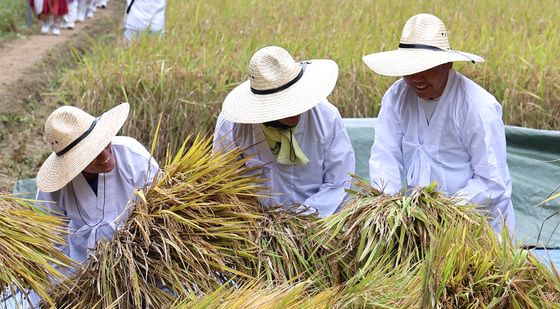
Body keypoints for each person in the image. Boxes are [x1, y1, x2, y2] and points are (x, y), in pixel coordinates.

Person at [363, 13, 514, 234]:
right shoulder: (396, 97)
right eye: (409, 68)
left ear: (447, 63)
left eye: (425, 67)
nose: (416, 77)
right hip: (416, 228)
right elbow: (385, 157)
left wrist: (441, 213)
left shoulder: (477, 107)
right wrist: (389, 207)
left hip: (475, 229)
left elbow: (492, 183)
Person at [213, 46, 355, 217]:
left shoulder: (326, 118)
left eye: (296, 100)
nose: (295, 111)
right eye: (285, 105)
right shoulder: (233, 126)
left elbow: (339, 182)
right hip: (255, 228)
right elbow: (224, 184)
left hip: (318, 225)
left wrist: (301, 220)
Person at [35, 102, 160, 272]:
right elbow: (52, 241)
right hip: (83, 263)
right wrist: (64, 286)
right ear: (72, 164)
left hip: (142, 254)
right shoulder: (55, 189)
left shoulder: (132, 156)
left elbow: (162, 206)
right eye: (91, 155)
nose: (104, 156)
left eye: (104, 143)